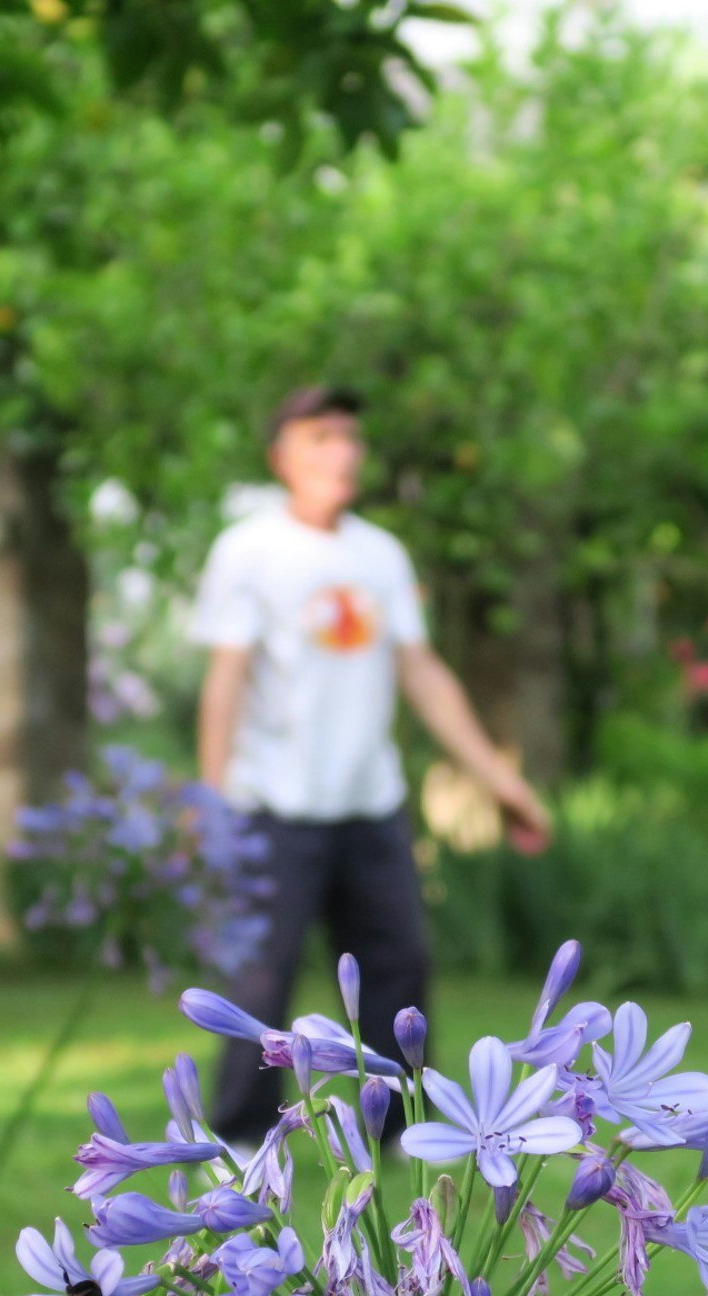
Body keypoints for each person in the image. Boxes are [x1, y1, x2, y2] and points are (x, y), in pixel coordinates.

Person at [193, 385, 552, 1146]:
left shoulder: (379, 553)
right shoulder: (249, 550)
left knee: (401, 970)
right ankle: (243, 1142)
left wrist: (499, 780)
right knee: (260, 984)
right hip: (272, 809)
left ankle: (405, 1135)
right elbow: (225, 680)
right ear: (283, 456)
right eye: (322, 436)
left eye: (352, 436)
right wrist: (211, 801)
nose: (345, 451)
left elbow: (420, 672)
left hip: (369, 806)